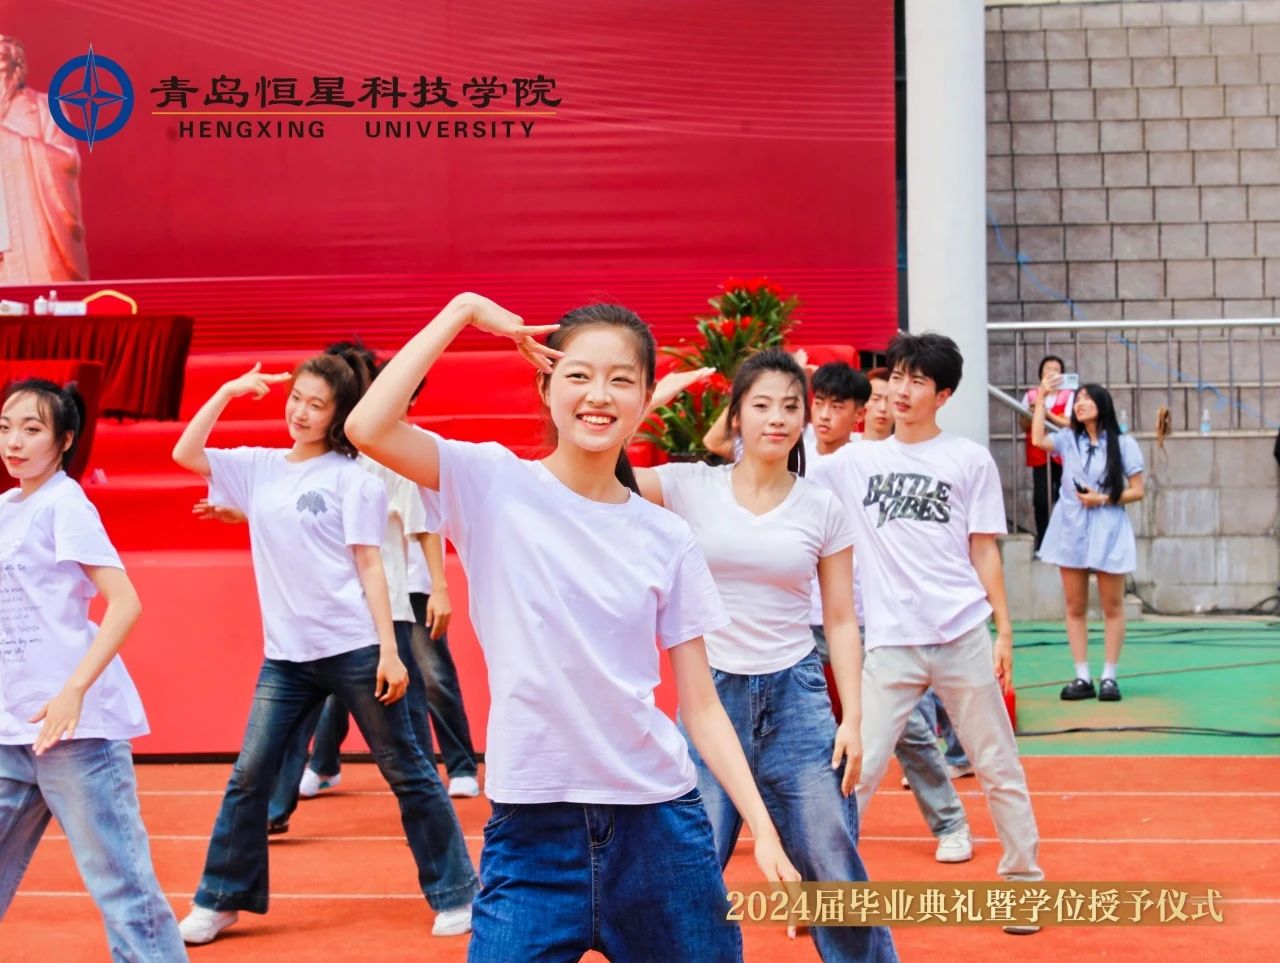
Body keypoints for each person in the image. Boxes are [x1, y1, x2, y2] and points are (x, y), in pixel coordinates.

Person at [346, 293, 800, 962]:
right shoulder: (491, 484)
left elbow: (701, 706)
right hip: (532, 833)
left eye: (621, 379)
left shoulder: (665, 535)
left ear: (645, 398)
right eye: (578, 374)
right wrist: (464, 311)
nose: (599, 395)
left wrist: (762, 828)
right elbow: (367, 426)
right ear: (545, 386)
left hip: (660, 830)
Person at [170, 348, 477, 944]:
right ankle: (219, 899)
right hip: (286, 658)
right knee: (249, 776)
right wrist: (229, 391)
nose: (301, 412)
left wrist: (390, 650)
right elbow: (185, 453)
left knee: (408, 771)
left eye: (317, 404)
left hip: (355, 648)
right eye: (296, 399)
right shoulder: (259, 467)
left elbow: (371, 565)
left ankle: (457, 893)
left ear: (339, 415)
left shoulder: (354, 479)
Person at [636, 350, 896, 962]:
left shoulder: (821, 506)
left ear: (803, 418)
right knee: (691, 864)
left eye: (790, 406)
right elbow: (603, 470)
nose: (776, 418)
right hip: (711, 696)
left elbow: (840, 619)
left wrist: (854, 720)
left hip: (796, 700)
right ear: (736, 416)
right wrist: (653, 398)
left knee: (832, 864)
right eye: (761, 405)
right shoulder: (690, 485)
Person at [808, 332, 1043, 935]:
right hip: (890, 645)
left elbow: (984, 549)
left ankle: (1023, 883)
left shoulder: (968, 460)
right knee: (856, 769)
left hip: (962, 634)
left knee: (997, 764)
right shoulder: (856, 462)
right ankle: (828, 891)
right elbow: (786, 471)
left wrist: (1004, 631)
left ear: (943, 395)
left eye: (916, 381)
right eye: (896, 377)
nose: (901, 390)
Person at [0, 379, 186, 961]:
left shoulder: (66, 504)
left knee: (122, 887)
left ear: (64, 440)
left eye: (32, 429)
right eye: (5, 427)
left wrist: (73, 691)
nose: (14, 442)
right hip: (10, 728)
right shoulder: (5, 509)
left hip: (76, 734)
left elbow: (125, 603)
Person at [1032, 380, 1145, 703]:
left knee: (1112, 606)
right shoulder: (1069, 439)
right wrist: (1041, 398)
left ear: (1102, 405)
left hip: (1108, 526)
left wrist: (1103, 498)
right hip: (1071, 527)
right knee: (1074, 605)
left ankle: (1109, 676)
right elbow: (1038, 440)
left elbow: (1138, 490)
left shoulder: (1123, 444)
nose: (1080, 404)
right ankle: (1082, 675)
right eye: (1077, 400)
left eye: (1087, 399)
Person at [0, 37, 90, 284]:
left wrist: (12, 144)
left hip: (32, 230)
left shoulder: (45, 107)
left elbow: (67, 160)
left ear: (16, 67)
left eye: (1, 60)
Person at [1019, 356, 1074, 551]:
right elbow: (1023, 424)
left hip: (1061, 454)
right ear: (1041, 373)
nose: (1052, 372)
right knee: (1041, 499)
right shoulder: (1031, 395)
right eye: (1048, 369)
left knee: (1063, 496)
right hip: (1039, 452)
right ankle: (1043, 541)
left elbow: (1069, 422)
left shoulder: (1068, 395)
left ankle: (1063, 541)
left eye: (1056, 369)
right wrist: (1034, 408)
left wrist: (1044, 413)